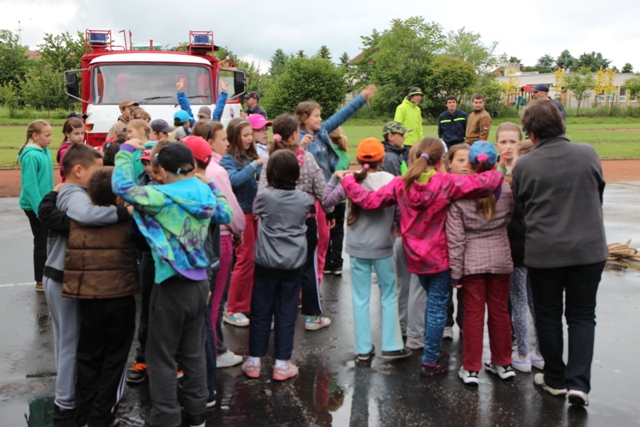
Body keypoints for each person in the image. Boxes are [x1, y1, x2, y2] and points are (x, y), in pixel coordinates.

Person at [340, 137, 503, 377]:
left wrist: (348, 182)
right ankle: (430, 359)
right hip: (439, 257)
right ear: (440, 162)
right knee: (437, 308)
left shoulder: (401, 184)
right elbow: (488, 182)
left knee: (430, 303)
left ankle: (432, 350)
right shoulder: (446, 183)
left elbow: (368, 200)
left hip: (414, 257)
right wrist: (496, 167)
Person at [112, 140, 231, 427]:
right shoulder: (203, 190)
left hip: (171, 285)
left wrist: (125, 151)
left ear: (163, 171)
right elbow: (225, 214)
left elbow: (121, 186)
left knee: (161, 355)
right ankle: (197, 414)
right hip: (200, 284)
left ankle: (166, 417)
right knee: (193, 352)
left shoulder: (159, 196)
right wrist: (212, 185)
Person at [513, 99, 607, 407]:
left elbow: (521, 209)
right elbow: (598, 194)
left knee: (548, 315)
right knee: (582, 316)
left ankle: (555, 379)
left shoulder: (525, 165)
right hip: (588, 250)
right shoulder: (588, 153)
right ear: (561, 124)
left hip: (545, 252)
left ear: (531, 133)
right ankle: (579, 383)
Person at [38, 144, 129, 421]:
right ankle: (65, 404)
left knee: (69, 342)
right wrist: (125, 213)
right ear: (78, 171)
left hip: (61, 274)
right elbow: (87, 216)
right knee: (70, 342)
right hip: (63, 275)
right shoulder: (74, 193)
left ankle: (68, 400)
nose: (100, 176)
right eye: (96, 171)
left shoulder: (68, 192)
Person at [61, 166, 139, 427]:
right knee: (115, 360)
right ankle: (100, 418)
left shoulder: (76, 218)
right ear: (118, 196)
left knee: (89, 357)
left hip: (88, 297)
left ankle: (83, 416)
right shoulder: (128, 221)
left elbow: (48, 212)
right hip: (119, 296)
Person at [323, 138, 410, 362]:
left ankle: (363, 348)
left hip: (357, 247)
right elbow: (399, 210)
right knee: (389, 294)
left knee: (360, 298)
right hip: (383, 247)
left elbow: (326, 200)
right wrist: (398, 227)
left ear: (359, 158)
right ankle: (391, 345)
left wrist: (334, 177)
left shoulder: (351, 180)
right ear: (382, 159)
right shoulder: (391, 180)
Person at [446, 142, 515, 386]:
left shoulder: (459, 194)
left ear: (471, 164)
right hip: (501, 258)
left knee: (473, 315)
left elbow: (455, 238)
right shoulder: (506, 189)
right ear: (495, 162)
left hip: (471, 263)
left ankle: (471, 367)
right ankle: (503, 363)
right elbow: (508, 219)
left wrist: (455, 273)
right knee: (500, 312)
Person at [258, 114, 334, 331]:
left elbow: (261, 191)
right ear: (294, 135)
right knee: (308, 267)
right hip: (304, 221)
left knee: (275, 267)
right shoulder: (307, 159)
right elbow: (321, 191)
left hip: (274, 223)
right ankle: (312, 315)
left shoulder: (271, 160)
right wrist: (330, 211)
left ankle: (273, 315)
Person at [296, 84, 376, 285]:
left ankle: (316, 286)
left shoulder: (322, 131)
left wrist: (362, 98)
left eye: (320, 115)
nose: (320, 119)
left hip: (325, 195)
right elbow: (292, 164)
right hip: (309, 200)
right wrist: (300, 147)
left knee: (323, 243)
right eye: (316, 116)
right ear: (304, 118)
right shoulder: (297, 138)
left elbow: (342, 115)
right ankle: (305, 289)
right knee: (309, 246)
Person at [242, 150, 311, 381]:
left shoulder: (265, 197)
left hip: (266, 262)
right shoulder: (304, 199)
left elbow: (257, 211)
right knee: (287, 312)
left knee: (260, 312)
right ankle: (282, 364)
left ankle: (254, 361)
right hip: (293, 263)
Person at [183, 135, 233, 408]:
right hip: (208, 264)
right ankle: (204, 386)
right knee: (202, 327)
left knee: (198, 329)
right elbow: (225, 214)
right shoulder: (206, 188)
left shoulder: (187, 190)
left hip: (194, 269)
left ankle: (204, 388)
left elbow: (224, 215)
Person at [192, 120, 246, 368]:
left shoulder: (194, 169)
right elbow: (230, 208)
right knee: (215, 300)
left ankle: (204, 349)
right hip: (220, 237)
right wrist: (238, 230)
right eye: (223, 139)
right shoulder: (216, 170)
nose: (227, 143)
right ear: (209, 143)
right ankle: (215, 350)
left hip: (199, 238)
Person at [500, 137, 543, 373]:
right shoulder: (542, 186)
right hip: (538, 251)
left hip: (516, 253)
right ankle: (541, 353)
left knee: (518, 302)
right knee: (537, 303)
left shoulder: (511, 188)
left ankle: (523, 353)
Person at [221, 118, 266, 327]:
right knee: (244, 259)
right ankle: (233, 308)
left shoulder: (249, 156)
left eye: (250, 134)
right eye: (245, 135)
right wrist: (255, 165)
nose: (249, 139)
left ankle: (248, 303)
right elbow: (233, 181)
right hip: (242, 214)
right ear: (234, 136)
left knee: (254, 259)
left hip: (254, 213)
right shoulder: (228, 160)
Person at [18, 120, 54, 292]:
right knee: (41, 241)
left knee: (47, 240)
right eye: (47, 135)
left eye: (51, 135)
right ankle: (40, 280)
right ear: (35, 136)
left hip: (44, 204)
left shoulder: (45, 151)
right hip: (35, 207)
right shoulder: (31, 156)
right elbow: (30, 186)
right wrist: (41, 210)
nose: (50, 138)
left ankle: (46, 275)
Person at [443, 143, 472, 340]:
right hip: (444, 244)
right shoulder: (444, 184)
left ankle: (464, 322)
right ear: (449, 163)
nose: (465, 165)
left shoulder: (477, 184)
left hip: (469, 247)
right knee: (445, 286)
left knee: (466, 289)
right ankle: (446, 323)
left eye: (469, 160)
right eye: (460, 160)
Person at [323, 127, 351, 276]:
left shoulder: (325, 154)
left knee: (326, 230)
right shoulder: (346, 157)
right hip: (340, 199)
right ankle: (338, 263)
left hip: (327, 197)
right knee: (338, 232)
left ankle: (327, 262)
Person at [394, 87, 424, 156]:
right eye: (417, 95)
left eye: (420, 95)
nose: (419, 97)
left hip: (417, 143)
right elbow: (397, 125)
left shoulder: (418, 109)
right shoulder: (401, 108)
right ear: (411, 96)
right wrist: (399, 142)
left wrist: (421, 140)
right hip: (406, 143)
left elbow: (419, 127)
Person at [56, 117, 85, 182]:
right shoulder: (64, 151)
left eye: (82, 133)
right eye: (77, 134)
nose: (80, 137)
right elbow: (69, 171)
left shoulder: (83, 147)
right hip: (70, 184)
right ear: (67, 133)